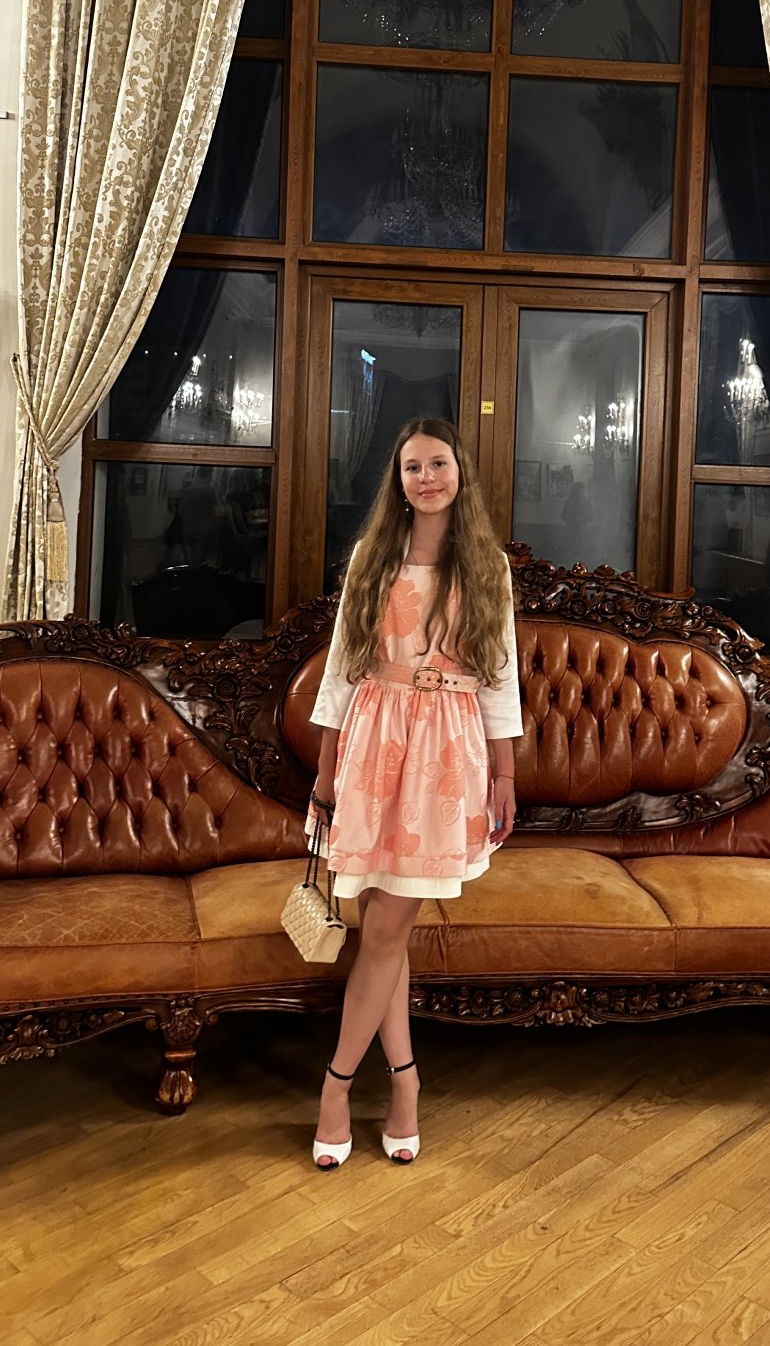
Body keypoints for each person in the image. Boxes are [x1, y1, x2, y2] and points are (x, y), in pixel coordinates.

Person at [306, 416, 519, 1169]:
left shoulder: (487, 565)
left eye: (438, 464)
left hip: (445, 754)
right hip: (373, 744)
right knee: (380, 928)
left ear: (460, 472)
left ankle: (336, 1088)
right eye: (412, 468)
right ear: (397, 482)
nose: (426, 478)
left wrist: (505, 774)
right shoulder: (372, 556)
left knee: (386, 929)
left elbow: (499, 678)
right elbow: (341, 672)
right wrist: (326, 774)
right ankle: (405, 1082)